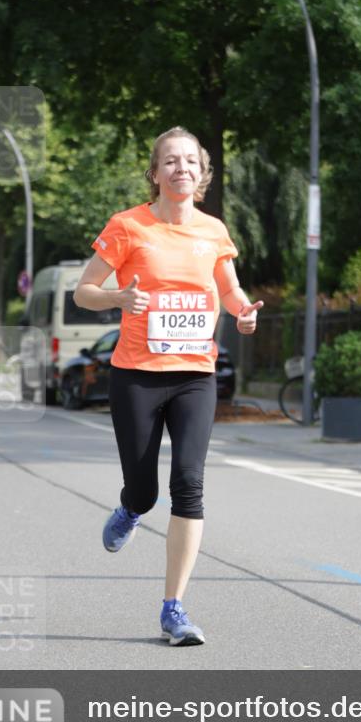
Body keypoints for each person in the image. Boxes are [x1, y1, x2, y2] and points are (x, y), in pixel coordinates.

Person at [73, 126, 263, 646]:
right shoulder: (128, 226)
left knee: (189, 483)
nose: (182, 169)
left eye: (191, 162)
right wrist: (117, 299)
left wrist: (243, 312)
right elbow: (83, 291)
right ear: (155, 174)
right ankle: (132, 507)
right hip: (136, 375)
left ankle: (173, 608)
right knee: (146, 487)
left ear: (202, 174)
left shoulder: (214, 231)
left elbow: (229, 289)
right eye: (171, 162)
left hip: (194, 376)